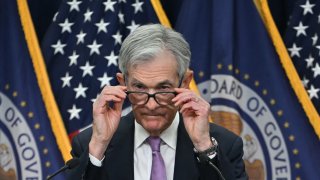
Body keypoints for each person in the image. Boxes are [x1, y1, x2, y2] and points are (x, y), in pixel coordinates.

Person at [66, 24, 248, 180]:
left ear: (184, 82)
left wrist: (203, 147)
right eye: (139, 88)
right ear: (123, 84)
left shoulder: (223, 146)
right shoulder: (89, 144)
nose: (151, 105)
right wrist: (99, 144)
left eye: (163, 88)